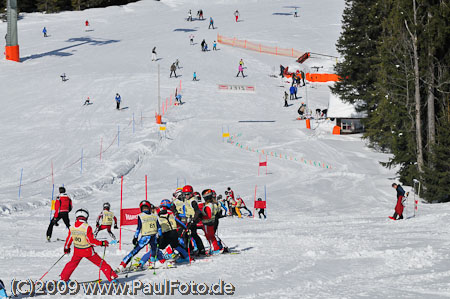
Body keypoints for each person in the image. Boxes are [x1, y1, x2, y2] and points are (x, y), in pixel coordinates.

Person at [60, 209, 118, 282]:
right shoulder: (87, 227)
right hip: (88, 251)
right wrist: (102, 243)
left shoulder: (72, 227)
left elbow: (69, 239)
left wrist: (66, 248)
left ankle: (63, 278)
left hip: (77, 251)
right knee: (101, 263)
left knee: (71, 264)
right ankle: (112, 277)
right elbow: (91, 241)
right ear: (86, 217)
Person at [139, 199, 189, 267]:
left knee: (156, 247)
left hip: (166, 234)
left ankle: (144, 261)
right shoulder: (171, 215)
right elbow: (181, 223)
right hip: (174, 233)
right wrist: (186, 229)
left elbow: (155, 227)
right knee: (176, 245)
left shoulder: (157, 218)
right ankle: (187, 257)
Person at [116, 200, 162, 273]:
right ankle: (122, 265)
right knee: (135, 250)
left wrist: (160, 236)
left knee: (154, 249)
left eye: (146, 208)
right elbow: (138, 227)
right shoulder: (141, 216)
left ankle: (155, 262)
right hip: (145, 237)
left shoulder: (154, 216)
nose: (145, 210)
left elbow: (159, 227)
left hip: (153, 236)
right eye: (143, 208)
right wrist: (135, 237)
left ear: (149, 207)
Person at [182, 185, 206, 256]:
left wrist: (193, 220)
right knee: (187, 235)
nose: (186, 196)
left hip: (192, 220)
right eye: (185, 194)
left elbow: (197, 211)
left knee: (191, 235)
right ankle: (191, 249)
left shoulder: (193, 201)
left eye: (188, 194)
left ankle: (199, 249)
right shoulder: (187, 200)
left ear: (191, 194)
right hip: (187, 220)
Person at [201, 189, 222, 254]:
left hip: (208, 223)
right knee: (212, 236)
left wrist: (201, 216)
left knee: (209, 236)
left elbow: (208, 215)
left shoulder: (208, 205)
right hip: (213, 221)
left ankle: (214, 249)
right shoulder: (214, 204)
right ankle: (216, 248)